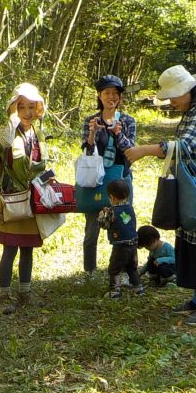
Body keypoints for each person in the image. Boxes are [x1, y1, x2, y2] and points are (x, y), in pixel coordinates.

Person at [125, 65, 196, 325]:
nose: (171, 102)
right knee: (193, 243)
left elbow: (185, 146)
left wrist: (146, 150)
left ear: (188, 89)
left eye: (174, 96)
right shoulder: (192, 109)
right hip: (194, 190)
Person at [0, 82, 47, 311]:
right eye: (21, 106)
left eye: (31, 107)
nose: (27, 112)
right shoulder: (7, 132)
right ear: (13, 108)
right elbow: (7, 152)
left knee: (27, 247)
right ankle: (4, 296)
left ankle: (25, 292)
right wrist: (12, 122)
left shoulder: (38, 133)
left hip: (30, 198)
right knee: (10, 248)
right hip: (12, 199)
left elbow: (41, 165)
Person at [79, 74, 137, 281]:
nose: (111, 97)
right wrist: (93, 134)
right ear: (99, 96)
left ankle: (126, 273)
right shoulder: (91, 121)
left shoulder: (128, 121)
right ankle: (89, 272)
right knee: (91, 229)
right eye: (106, 93)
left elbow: (131, 152)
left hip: (121, 180)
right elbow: (87, 152)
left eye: (115, 93)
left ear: (120, 97)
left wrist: (117, 133)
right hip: (97, 181)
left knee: (125, 227)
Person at [99, 177, 143, 299]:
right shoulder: (130, 208)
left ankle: (115, 292)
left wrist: (102, 216)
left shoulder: (112, 211)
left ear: (112, 197)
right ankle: (138, 289)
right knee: (131, 268)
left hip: (120, 246)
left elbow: (104, 225)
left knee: (114, 269)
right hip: (133, 243)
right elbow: (124, 219)